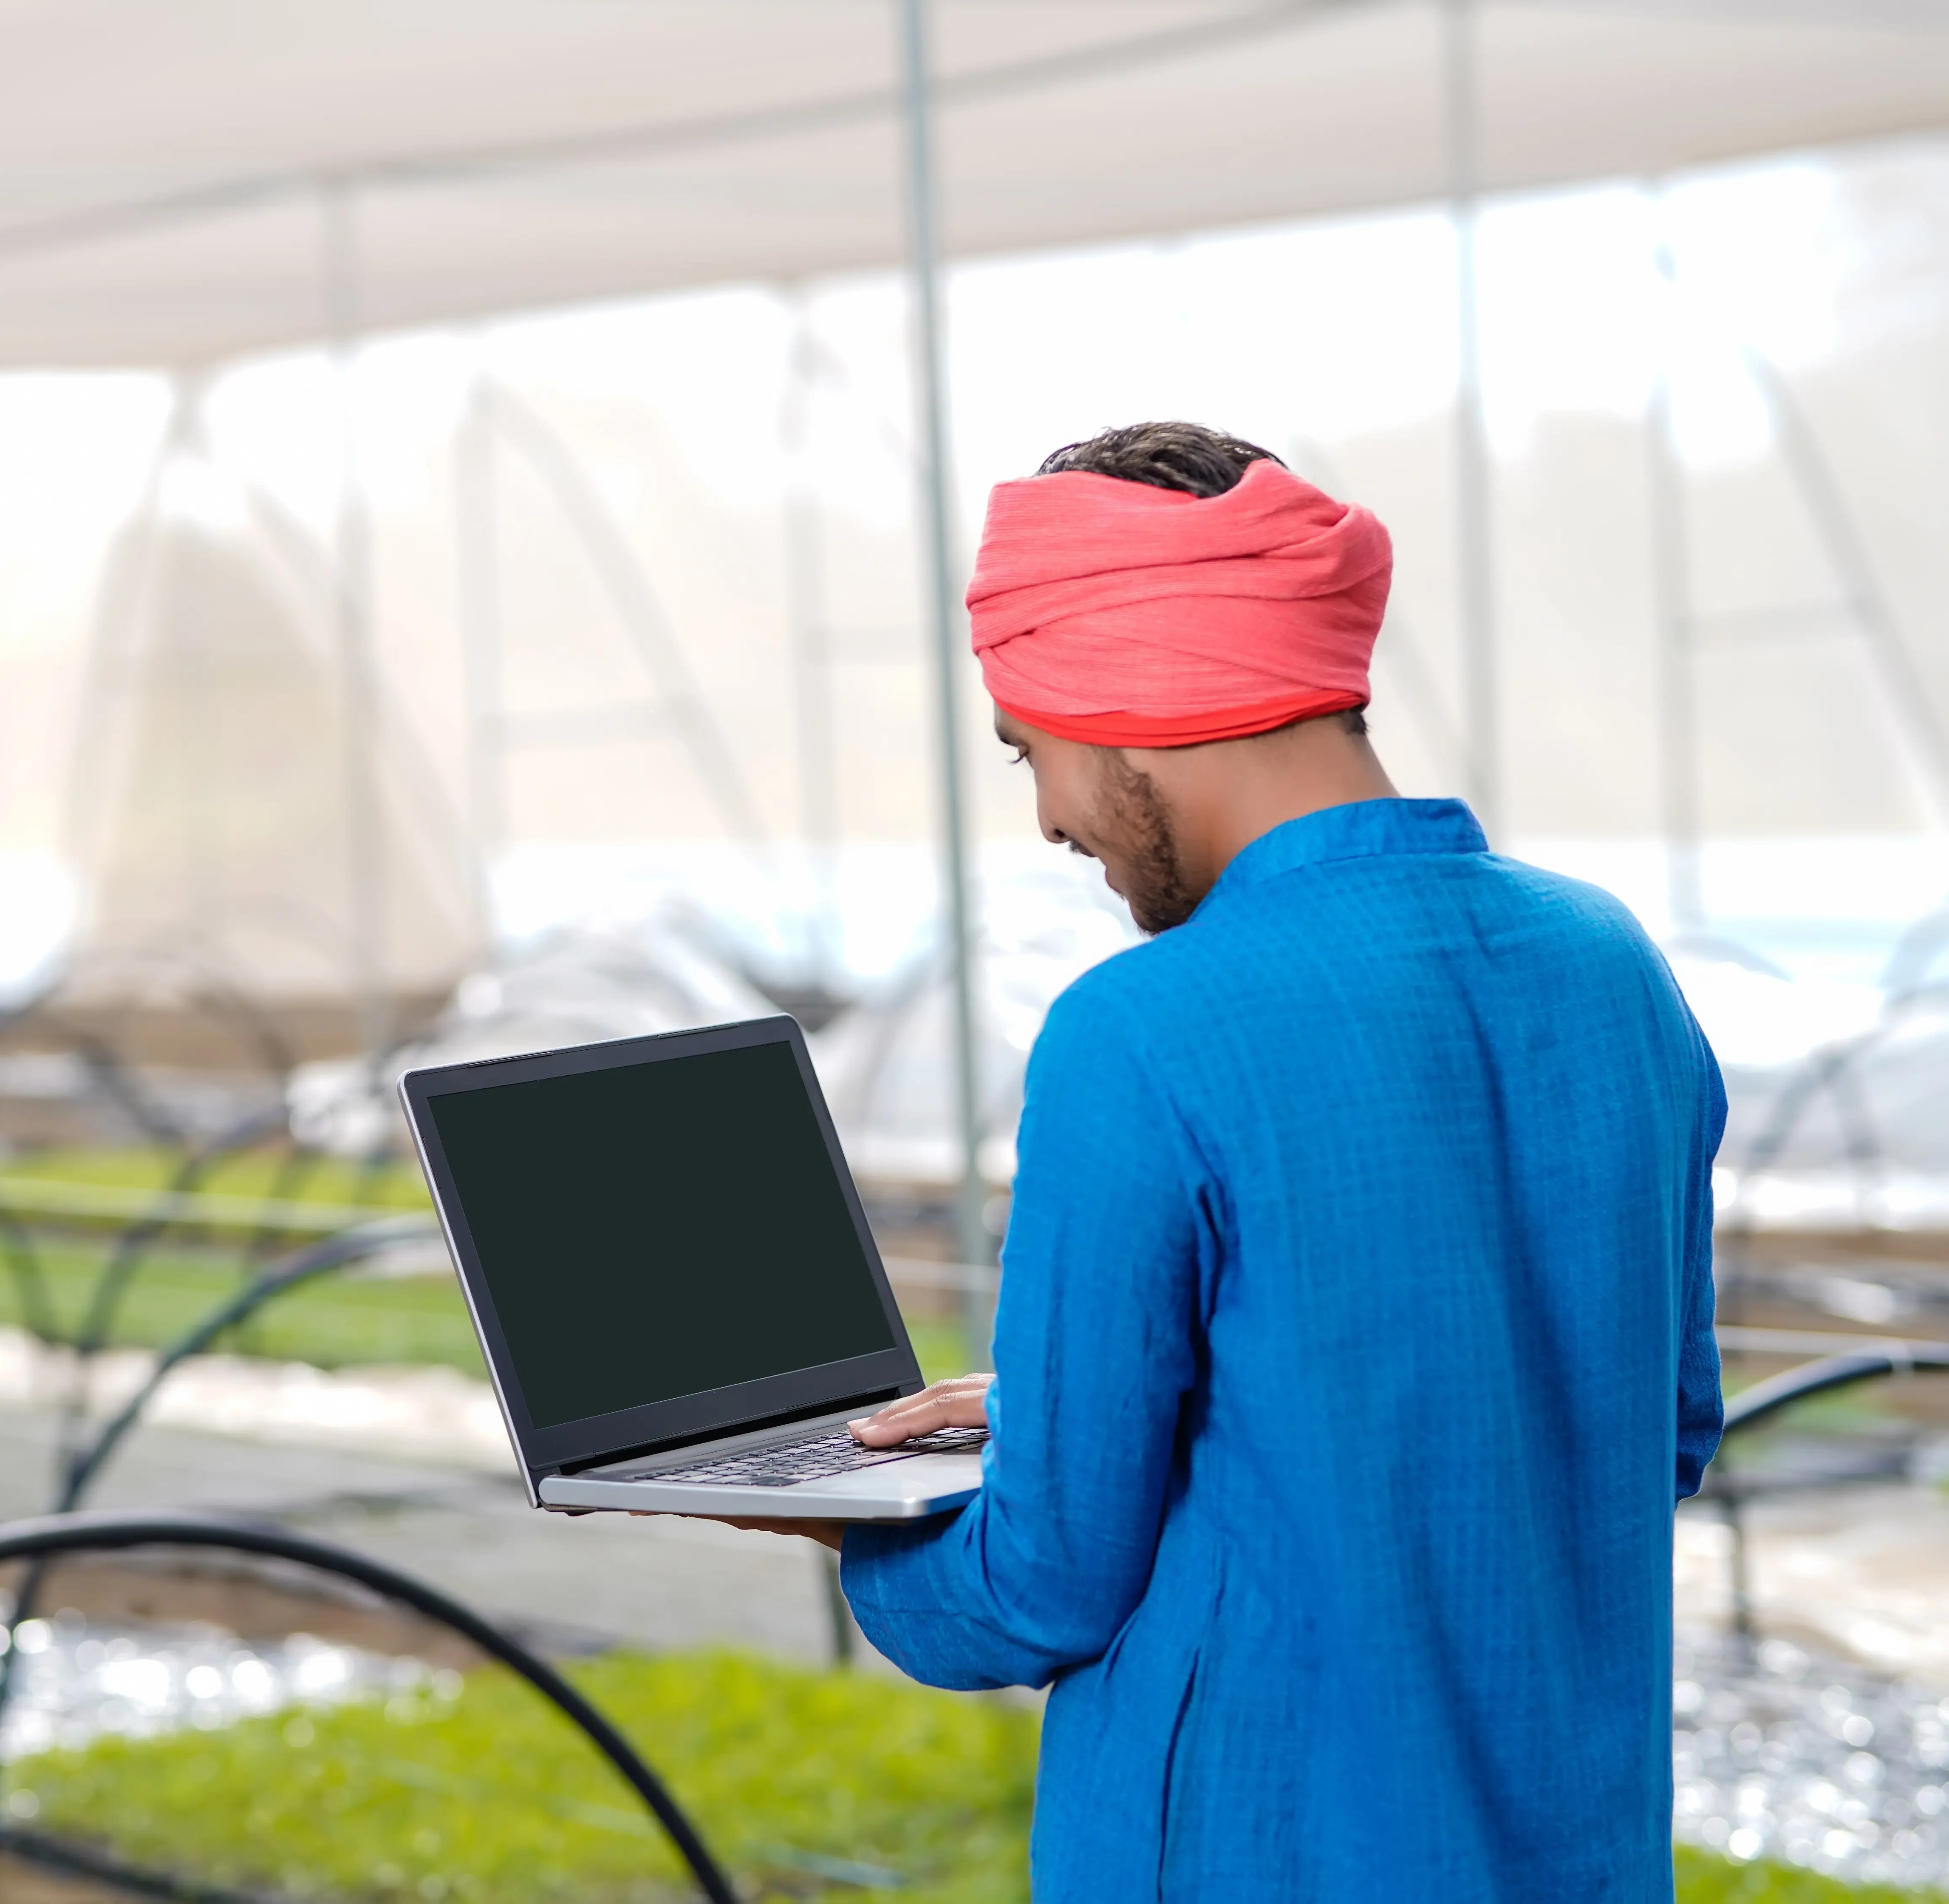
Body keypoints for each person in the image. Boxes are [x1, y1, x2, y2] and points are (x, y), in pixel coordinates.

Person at [733, 422, 1725, 1900]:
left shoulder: (1142, 1030)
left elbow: (1039, 1588)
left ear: (1125, 691)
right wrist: (1123, 1414)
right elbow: (1654, 1429)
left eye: (1031, 750)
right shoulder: (1608, 964)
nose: (1051, 819)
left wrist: (828, 1511)